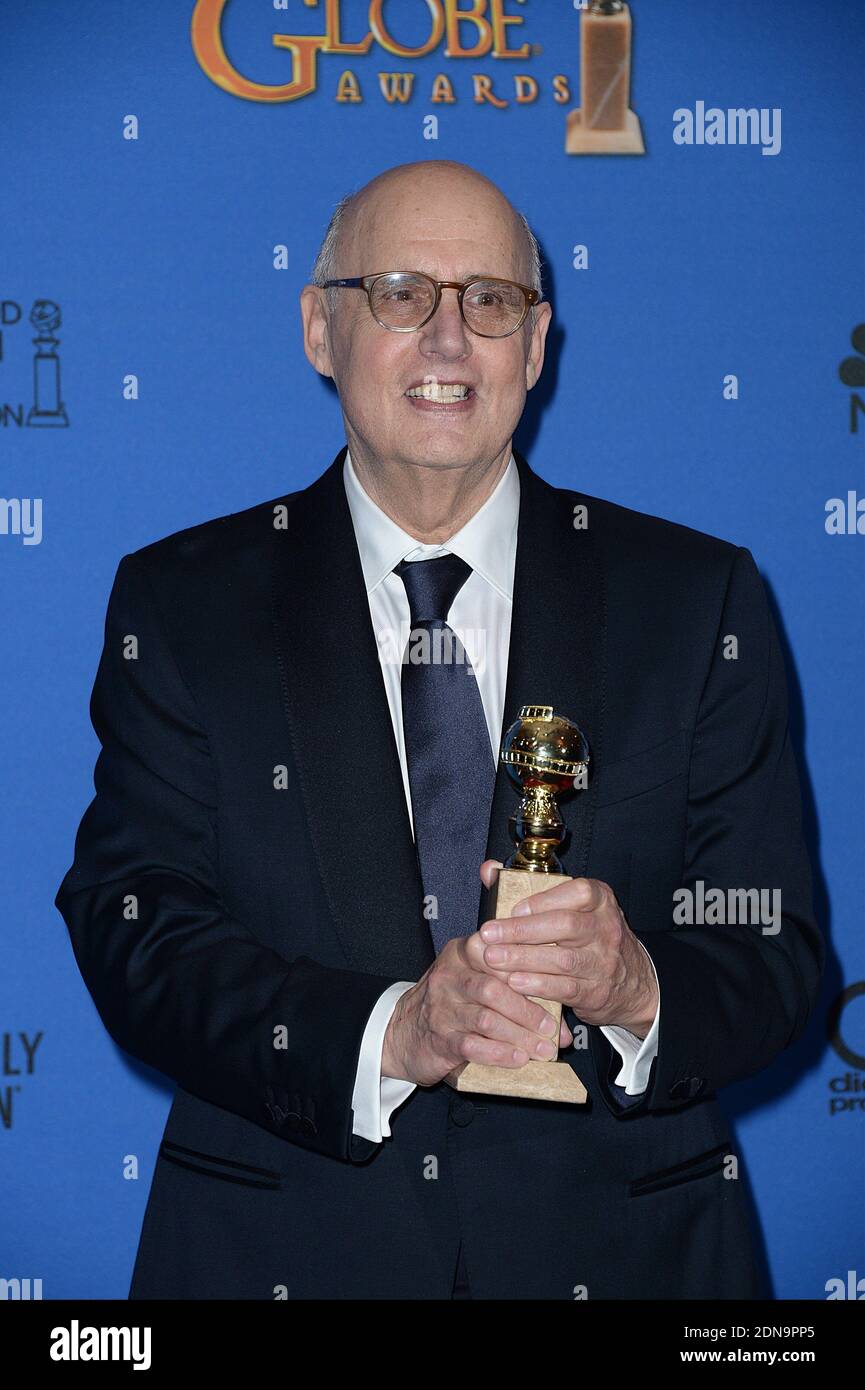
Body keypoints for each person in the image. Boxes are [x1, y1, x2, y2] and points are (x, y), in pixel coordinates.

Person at [56, 159, 823, 1300]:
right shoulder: (182, 605)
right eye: (403, 292)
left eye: (491, 301)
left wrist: (637, 987)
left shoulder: (697, 600)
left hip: (631, 1265)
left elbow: (775, 948)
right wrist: (391, 1034)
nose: (450, 339)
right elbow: (136, 929)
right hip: (276, 1258)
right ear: (321, 328)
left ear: (537, 341)